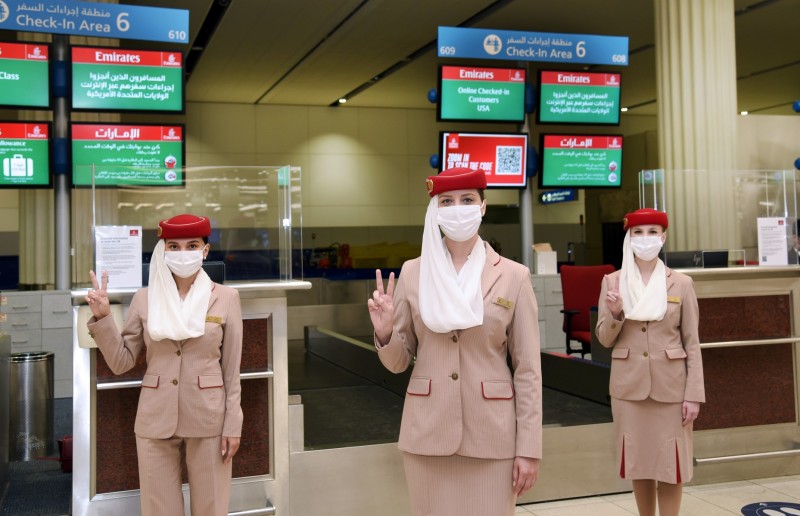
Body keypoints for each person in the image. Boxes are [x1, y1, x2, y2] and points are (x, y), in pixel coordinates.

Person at [367, 167, 542, 515]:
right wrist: (386, 332)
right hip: (428, 433)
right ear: (435, 210)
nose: (457, 207)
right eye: (447, 201)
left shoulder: (513, 275)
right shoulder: (414, 272)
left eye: (467, 200)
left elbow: (528, 371)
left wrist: (529, 447)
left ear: (483, 206)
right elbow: (399, 362)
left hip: (493, 435)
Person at [85, 214, 243, 516]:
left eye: (192, 245)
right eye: (174, 246)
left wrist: (233, 424)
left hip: (209, 417)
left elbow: (231, 371)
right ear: (164, 251)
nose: (183, 253)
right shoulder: (145, 299)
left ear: (205, 250)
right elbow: (121, 362)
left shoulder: (226, 298)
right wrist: (104, 317)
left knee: (211, 508)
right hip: (155, 418)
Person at [596, 208, 705, 516]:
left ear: (663, 237)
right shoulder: (613, 282)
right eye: (638, 233)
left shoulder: (681, 284)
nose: (645, 239)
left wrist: (694, 394)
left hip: (671, 388)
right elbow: (604, 338)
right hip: (629, 388)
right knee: (639, 462)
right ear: (628, 239)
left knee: (672, 465)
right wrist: (616, 313)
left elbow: (692, 343)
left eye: (652, 232)